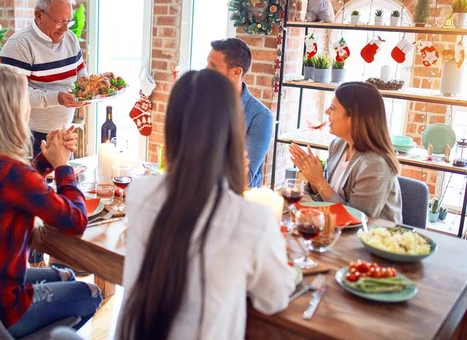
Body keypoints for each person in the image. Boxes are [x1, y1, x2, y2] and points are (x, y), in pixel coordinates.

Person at [117, 69, 295, 340]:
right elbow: (274, 298)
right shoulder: (251, 220)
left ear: (172, 128)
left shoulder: (139, 192)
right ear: (234, 132)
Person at [0, 65, 101, 338]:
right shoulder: (13, 173)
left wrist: (46, 161)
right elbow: (75, 222)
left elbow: (9, 188)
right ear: (14, 111)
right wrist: (63, 167)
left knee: (64, 276)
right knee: (91, 292)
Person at [289, 81, 402, 223]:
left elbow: (356, 219)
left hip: (373, 239)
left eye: (333, 108)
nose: (326, 112)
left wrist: (319, 181)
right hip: (336, 231)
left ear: (354, 118)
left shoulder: (375, 165)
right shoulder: (338, 145)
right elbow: (325, 201)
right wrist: (313, 179)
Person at [0, 0, 88, 157]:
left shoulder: (70, 38)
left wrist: (86, 90)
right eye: (60, 21)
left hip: (62, 134)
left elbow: (80, 71)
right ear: (38, 15)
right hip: (30, 138)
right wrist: (58, 98)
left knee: (63, 181)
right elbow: (17, 95)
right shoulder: (19, 45)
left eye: (68, 21)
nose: (65, 28)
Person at [207, 38, 273, 188]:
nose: (206, 71)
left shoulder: (260, 116)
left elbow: (243, 178)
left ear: (236, 72)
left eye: (213, 67)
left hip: (237, 202)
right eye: (207, 63)